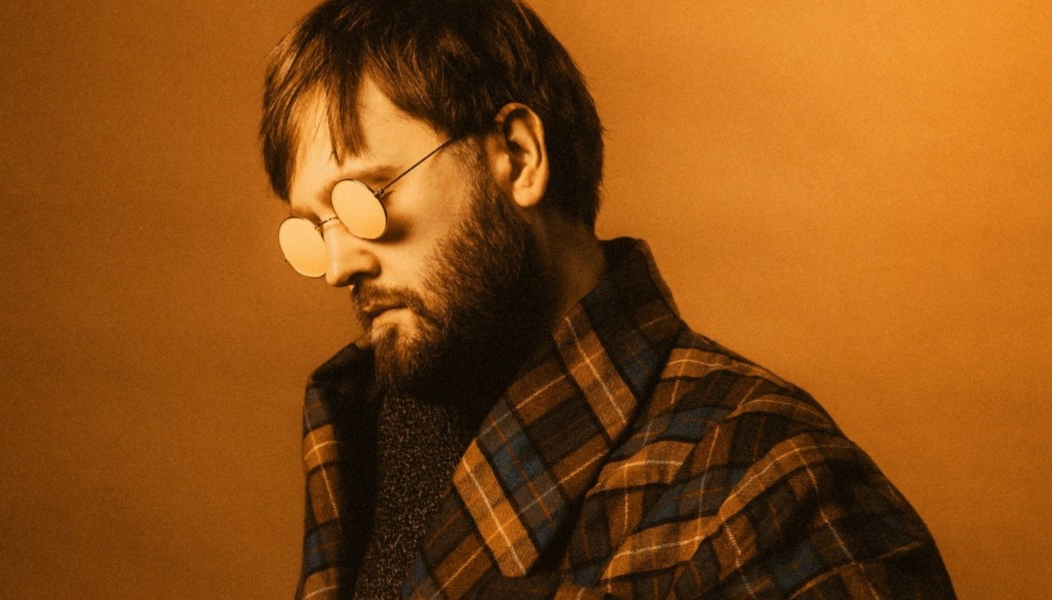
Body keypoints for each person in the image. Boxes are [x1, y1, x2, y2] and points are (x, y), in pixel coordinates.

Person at [261, 1, 956, 598]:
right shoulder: (368, 446)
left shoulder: (774, 492)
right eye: (314, 229)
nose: (338, 267)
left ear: (519, 156)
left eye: (365, 200)